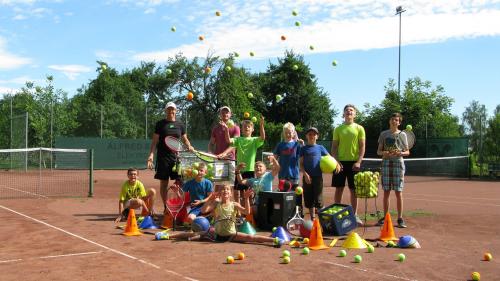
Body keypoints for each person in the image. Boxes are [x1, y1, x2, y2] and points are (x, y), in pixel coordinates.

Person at [160, 185, 283, 247]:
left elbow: (246, 212)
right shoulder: (216, 203)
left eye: (227, 190)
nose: (225, 191)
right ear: (221, 193)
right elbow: (203, 210)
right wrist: (210, 199)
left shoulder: (234, 204)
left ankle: (274, 240)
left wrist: (245, 198)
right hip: (216, 234)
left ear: (230, 193)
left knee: (251, 237)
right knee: (193, 233)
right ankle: (167, 235)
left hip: (231, 234)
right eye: (223, 190)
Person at [147, 101, 194, 213]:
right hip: (163, 158)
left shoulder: (180, 125)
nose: (171, 111)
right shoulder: (160, 124)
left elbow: (185, 139)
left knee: (180, 182)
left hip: (176, 159)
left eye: (173, 109)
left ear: (176, 111)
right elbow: (154, 142)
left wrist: (189, 145)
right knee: (164, 183)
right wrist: (151, 155)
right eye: (169, 109)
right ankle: (166, 207)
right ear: (165, 111)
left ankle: (178, 205)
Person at [331, 104, 366, 225]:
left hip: (354, 164)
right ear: (343, 114)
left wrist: (359, 161)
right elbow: (334, 147)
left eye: (351, 110)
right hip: (339, 163)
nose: (349, 112)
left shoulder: (359, 128)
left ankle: (355, 215)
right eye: (346, 110)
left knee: (354, 190)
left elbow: (362, 146)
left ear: (355, 114)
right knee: (339, 189)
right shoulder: (338, 129)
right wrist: (337, 162)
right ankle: (336, 214)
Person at [218, 116, 265, 205]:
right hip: (239, 170)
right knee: (237, 191)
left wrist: (261, 124)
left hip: (250, 170)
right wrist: (226, 129)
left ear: (252, 129)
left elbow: (262, 137)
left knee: (249, 192)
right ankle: (238, 210)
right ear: (241, 130)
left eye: (249, 126)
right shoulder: (238, 139)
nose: (246, 128)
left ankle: (249, 210)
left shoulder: (254, 140)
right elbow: (228, 140)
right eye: (244, 126)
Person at [376, 113, 409, 228]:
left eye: (397, 120)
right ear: (389, 121)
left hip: (398, 164)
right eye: (392, 119)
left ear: (399, 123)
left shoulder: (403, 134)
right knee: (386, 192)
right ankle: (386, 217)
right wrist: (383, 153)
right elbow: (378, 151)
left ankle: (400, 218)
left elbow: (407, 152)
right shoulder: (383, 134)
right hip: (385, 163)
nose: (394, 121)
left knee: (398, 192)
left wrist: (400, 153)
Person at [300, 127, 339, 221]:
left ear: (317, 136)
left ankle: (323, 219)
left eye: (314, 134)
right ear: (306, 136)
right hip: (307, 177)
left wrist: (336, 164)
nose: (312, 136)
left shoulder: (320, 147)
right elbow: (300, 164)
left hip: (318, 177)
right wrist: (305, 175)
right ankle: (313, 218)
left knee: (319, 199)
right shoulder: (303, 149)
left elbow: (330, 158)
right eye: (310, 134)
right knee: (309, 199)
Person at [273, 122, 303, 214]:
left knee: (297, 195)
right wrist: (272, 163)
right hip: (283, 175)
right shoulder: (280, 145)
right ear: (283, 133)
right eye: (286, 132)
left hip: (294, 175)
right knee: (284, 196)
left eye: (290, 132)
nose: (288, 134)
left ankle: (298, 213)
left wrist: (302, 145)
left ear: (294, 133)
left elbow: (303, 155)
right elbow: (274, 157)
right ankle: (285, 213)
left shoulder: (297, 145)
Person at [208, 106, 240, 192]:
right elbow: (211, 143)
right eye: (223, 112)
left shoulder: (236, 128)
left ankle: (228, 205)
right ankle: (217, 204)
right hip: (219, 160)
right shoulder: (216, 128)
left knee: (229, 187)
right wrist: (210, 152)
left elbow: (234, 144)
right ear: (220, 115)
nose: (225, 114)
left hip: (230, 159)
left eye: (227, 112)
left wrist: (225, 153)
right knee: (218, 185)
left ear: (230, 114)